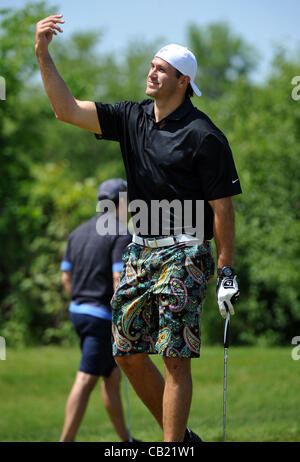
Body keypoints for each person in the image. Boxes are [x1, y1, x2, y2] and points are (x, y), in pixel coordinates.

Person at [35, 15, 241, 442]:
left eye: (161, 69)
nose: (151, 72)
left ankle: (170, 448)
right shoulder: (130, 118)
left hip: (185, 251)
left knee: (174, 356)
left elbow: (222, 210)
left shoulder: (205, 136)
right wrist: (42, 54)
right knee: (125, 351)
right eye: (151, 65)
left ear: (183, 81)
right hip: (140, 250)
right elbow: (66, 110)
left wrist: (226, 271)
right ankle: (182, 440)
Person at [59, 179, 134, 442]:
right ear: (121, 201)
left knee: (111, 377)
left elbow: (65, 277)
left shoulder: (77, 232)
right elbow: (118, 280)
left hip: (78, 311)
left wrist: (79, 303)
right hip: (100, 317)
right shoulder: (121, 232)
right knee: (86, 378)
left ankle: (127, 441)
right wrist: (124, 316)